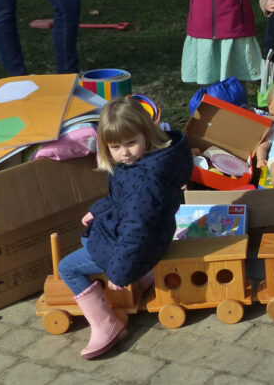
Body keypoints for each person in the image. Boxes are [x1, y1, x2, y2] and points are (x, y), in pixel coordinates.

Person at [57, 97, 192, 358]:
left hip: (145, 244)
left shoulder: (145, 179)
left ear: (147, 134)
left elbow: (135, 231)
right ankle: (143, 278)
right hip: (155, 236)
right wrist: (97, 210)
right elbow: (122, 200)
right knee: (88, 239)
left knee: (67, 267)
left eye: (131, 143)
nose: (124, 152)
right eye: (116, 147)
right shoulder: (144, 164)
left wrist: (120, 272)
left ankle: (105, 325)